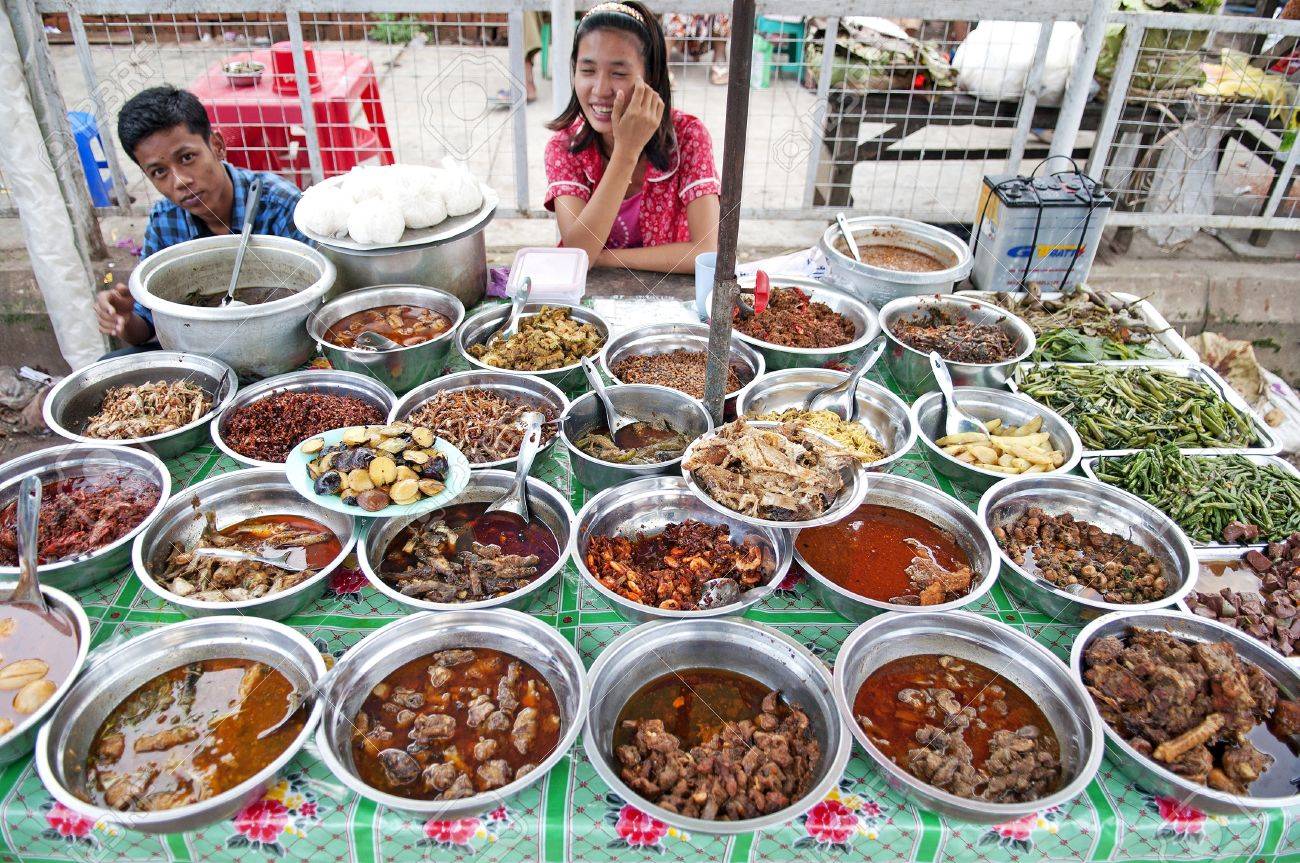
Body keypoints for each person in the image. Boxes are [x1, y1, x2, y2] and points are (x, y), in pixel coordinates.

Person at [94, 85, 308, 352]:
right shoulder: (165, 222)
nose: (180, 181)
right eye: (159, 172)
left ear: (217, 146)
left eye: (187, 158)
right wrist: (124, 320)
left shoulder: (281, 205)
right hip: (198, 353)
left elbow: (318, 303)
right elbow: (146, 327)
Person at [544, 1, 720, 274]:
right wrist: (626, 152)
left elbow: (706, 252)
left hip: (669, 294)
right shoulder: (564, 147)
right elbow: (579, 252)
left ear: (651, 77)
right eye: (587, 70)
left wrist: (602, 257)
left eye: (619, 73)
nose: (600, 89)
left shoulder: (689, 137)